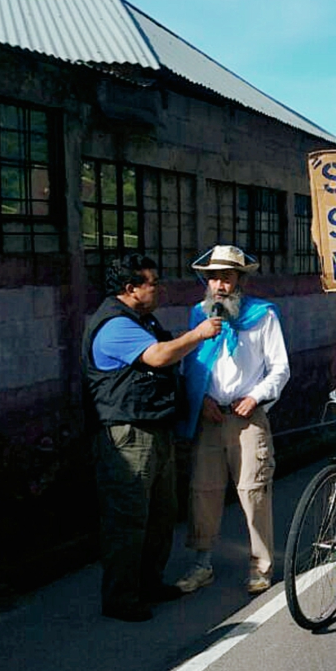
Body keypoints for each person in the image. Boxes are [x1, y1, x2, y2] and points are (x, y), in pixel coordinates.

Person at [83, 253, 222, 621]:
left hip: (154, 428)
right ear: (131, 289)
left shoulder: (141, 319)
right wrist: (197, 334)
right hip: (127, 435)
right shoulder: (114, 325)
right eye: (153, 282)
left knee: (160, 516)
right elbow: (159, 356)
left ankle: (149, 583)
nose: (159, 288)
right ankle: (120, 598)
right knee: (128, 520)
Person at [175, 245, 290, 595]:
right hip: (209, 416)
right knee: (203, 492)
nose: (219, 285)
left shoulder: (262, 315)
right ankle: (201, 564)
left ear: (240, 279)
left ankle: (261, 566)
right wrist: (203, 398)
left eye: (226, 277)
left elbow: (280, 369)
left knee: (253, 491)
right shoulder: (198, 315)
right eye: (213, 277)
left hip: (248, 416)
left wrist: (255, 396)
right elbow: (190, 364)